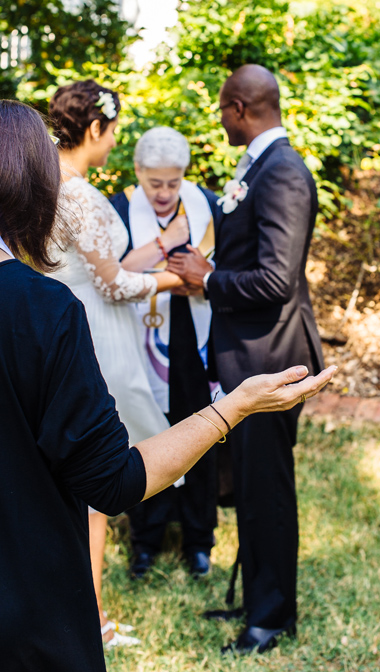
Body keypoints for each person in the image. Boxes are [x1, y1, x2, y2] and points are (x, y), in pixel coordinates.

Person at [0, 97, 335, 671]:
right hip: (22, 632)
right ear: (33, 189)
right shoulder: (41, 309)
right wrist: (236, 406)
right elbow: (113, 480)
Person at [166, 64, 325, 654]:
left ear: (239, 108)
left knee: (268, 492)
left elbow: (277, 281)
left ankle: (271, 619)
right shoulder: (259, 165)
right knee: (253, 489)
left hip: (273, 356)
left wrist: (209, 280)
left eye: (222, 109)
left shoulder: (282, 172)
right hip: (249, 352)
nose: (220, 118)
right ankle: (255, 599)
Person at [45, 80, 185, 644]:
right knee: (95, 488)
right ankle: (90, 622)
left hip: (68, 323)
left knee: (77, 487)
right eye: (113, 132)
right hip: (96, 338)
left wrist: (160, 246)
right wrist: (179, 280)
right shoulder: (77, 192)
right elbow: (114, 284)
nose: (113, 143)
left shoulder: (47, 183)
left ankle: (86, 614)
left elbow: (98, 263)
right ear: (96, 128)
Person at [109, 126, 224, 579]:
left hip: (196, 340)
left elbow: (227, 267)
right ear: (137, 172)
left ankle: (199, 540)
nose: (163, 193)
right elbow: (110, 271)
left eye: (173, 183)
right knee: (147, 435)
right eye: (154, 182)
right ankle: (146, 538)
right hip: (140, 340)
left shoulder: (210, 207)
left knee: (202, 432)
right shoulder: (120, 209)